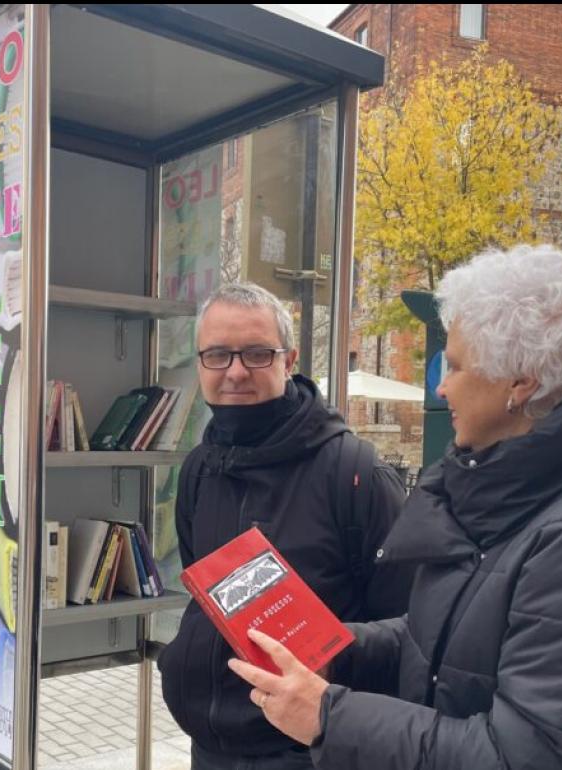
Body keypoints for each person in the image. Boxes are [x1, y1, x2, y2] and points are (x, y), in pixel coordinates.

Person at [228, 246, 562, 769]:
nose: (442, 386)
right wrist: (335, 647)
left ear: (521, 384)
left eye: (457, 365)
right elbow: (446, 641)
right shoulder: (516, 498)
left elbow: (524, 757)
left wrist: (328, 718)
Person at [158, 282, 415, 770]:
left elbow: (407, 628)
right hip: (210, 748)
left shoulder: (355, 474)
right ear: (200, 362)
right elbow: (204, 596)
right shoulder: (198, 469)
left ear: (289, 359)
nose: (234, 371)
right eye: (217, 354)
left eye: (256, 353)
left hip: (308, 752)